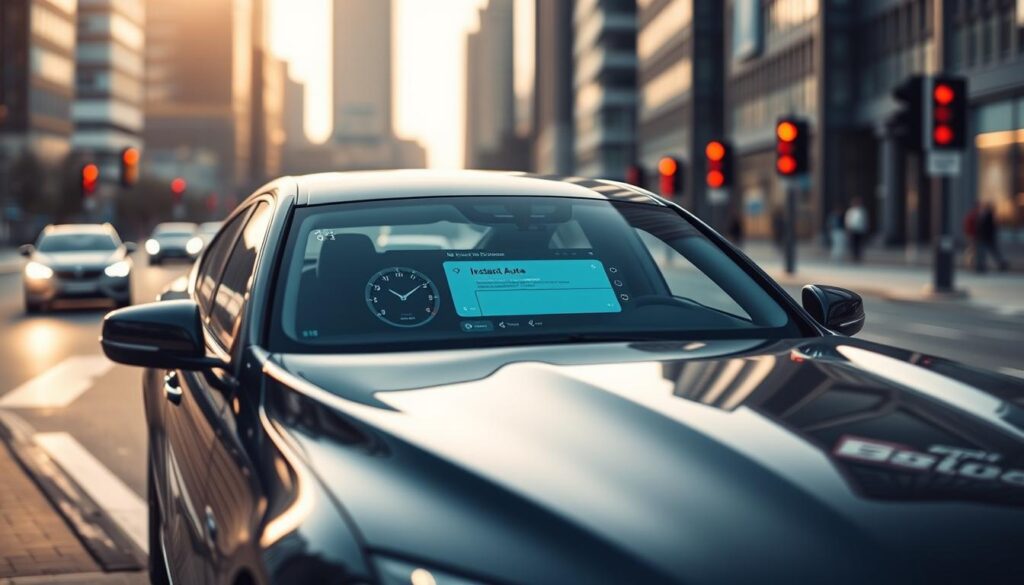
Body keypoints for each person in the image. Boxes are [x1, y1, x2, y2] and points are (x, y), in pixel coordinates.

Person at [975, 201, 1009, 273]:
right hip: (986, 238)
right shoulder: (986, 216)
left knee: (986, 252)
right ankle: (982, 266)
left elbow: (988, 228)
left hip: (986, 238)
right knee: (988, 252)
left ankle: (982, 266)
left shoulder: (988, 216)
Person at [844, 198, 869, 263]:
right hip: (853, 230)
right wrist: (848, 229)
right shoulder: (850, 211)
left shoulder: (862, 210)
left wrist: (865, 229)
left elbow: (865, 220)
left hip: (860, 230)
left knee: (859, 244)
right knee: (853, 244)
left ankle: (859, 256)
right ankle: (853, 256)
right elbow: (847, 220)